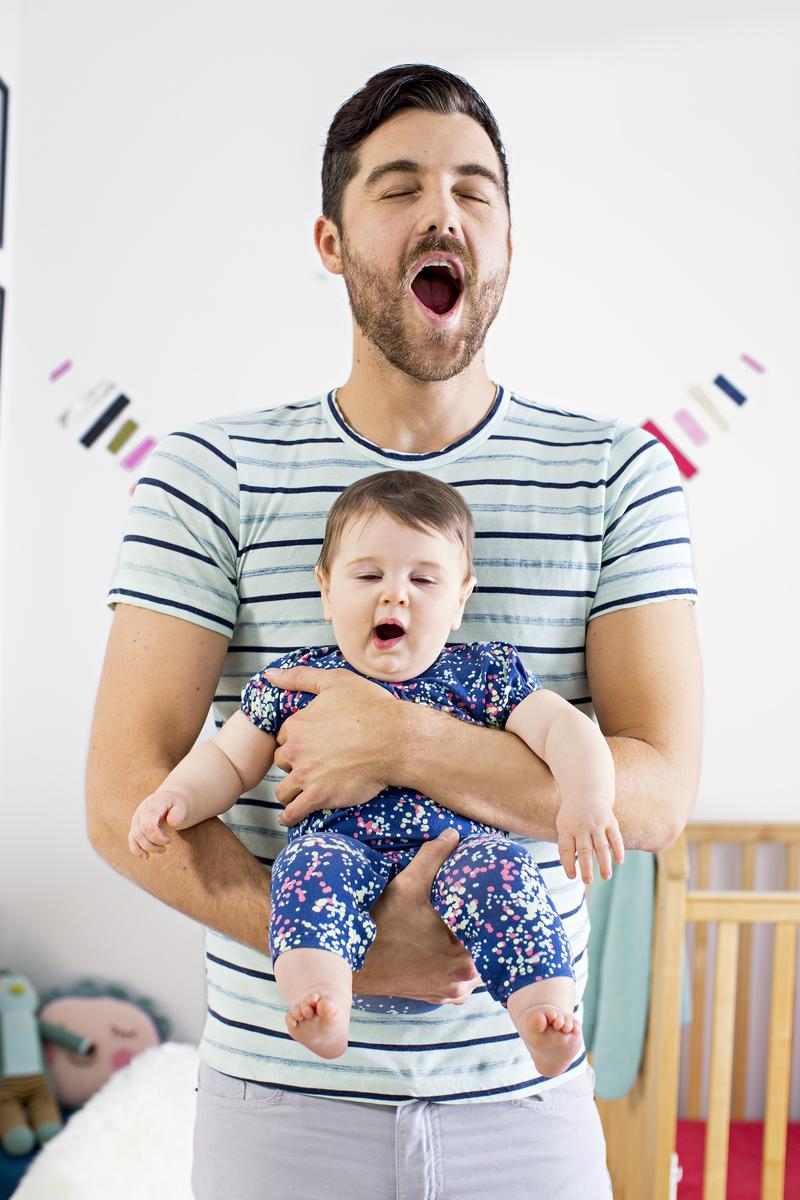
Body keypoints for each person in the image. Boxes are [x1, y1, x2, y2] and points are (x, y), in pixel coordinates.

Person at [86, 63, 702, 1199]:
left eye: (475, 190)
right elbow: (128, 787)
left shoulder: (617, 477)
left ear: (508, 240)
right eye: (399, 186)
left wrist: (405, 744)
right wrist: (344, 945)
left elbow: (652, 793)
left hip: (524, 1103)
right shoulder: (207, 475)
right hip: (279, 1104)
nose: (443, 214)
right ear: (329, 240)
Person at [127, 471, 621, 1075]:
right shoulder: (297, 678)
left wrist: (588, 798)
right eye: (368, 576)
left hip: (460, 853)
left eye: (423, 579)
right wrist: (177, 796)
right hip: (342, 849)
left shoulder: (484, 673)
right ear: (326, 590)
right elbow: (230, 758)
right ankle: (322, 996)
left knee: (507, 872)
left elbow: (566, 730)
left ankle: (544, 1010)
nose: (396, 596)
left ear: (461, 598)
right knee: (305, 868)